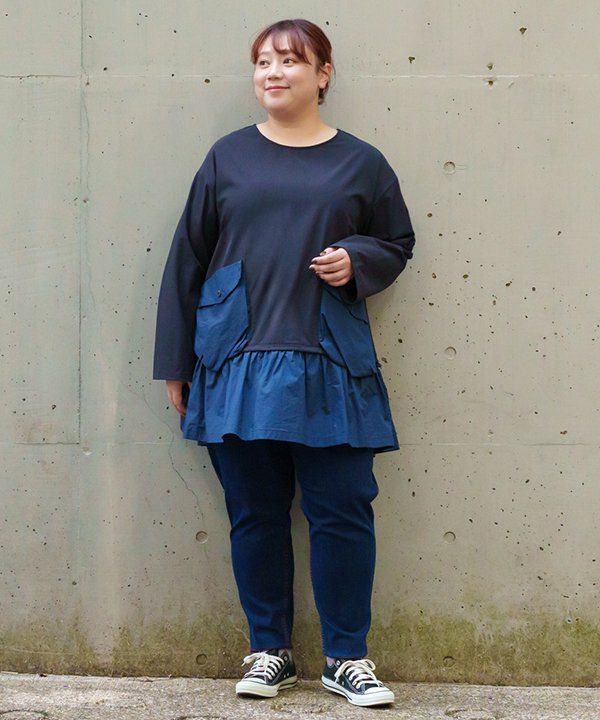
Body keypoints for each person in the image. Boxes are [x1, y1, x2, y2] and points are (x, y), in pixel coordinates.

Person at [153, 18, 416, 709]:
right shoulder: (227, 158)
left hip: (330, 365)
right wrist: (176, 364)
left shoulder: (362, 163)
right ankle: (268, 650)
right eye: (264, 61)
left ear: (323, 75)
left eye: (291, 61)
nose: (273, 72)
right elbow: (187, 262)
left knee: (343, 511)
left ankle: (347, 658)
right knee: (255, 512)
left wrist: (357, 259)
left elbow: (397, 242)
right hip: (236, 364)